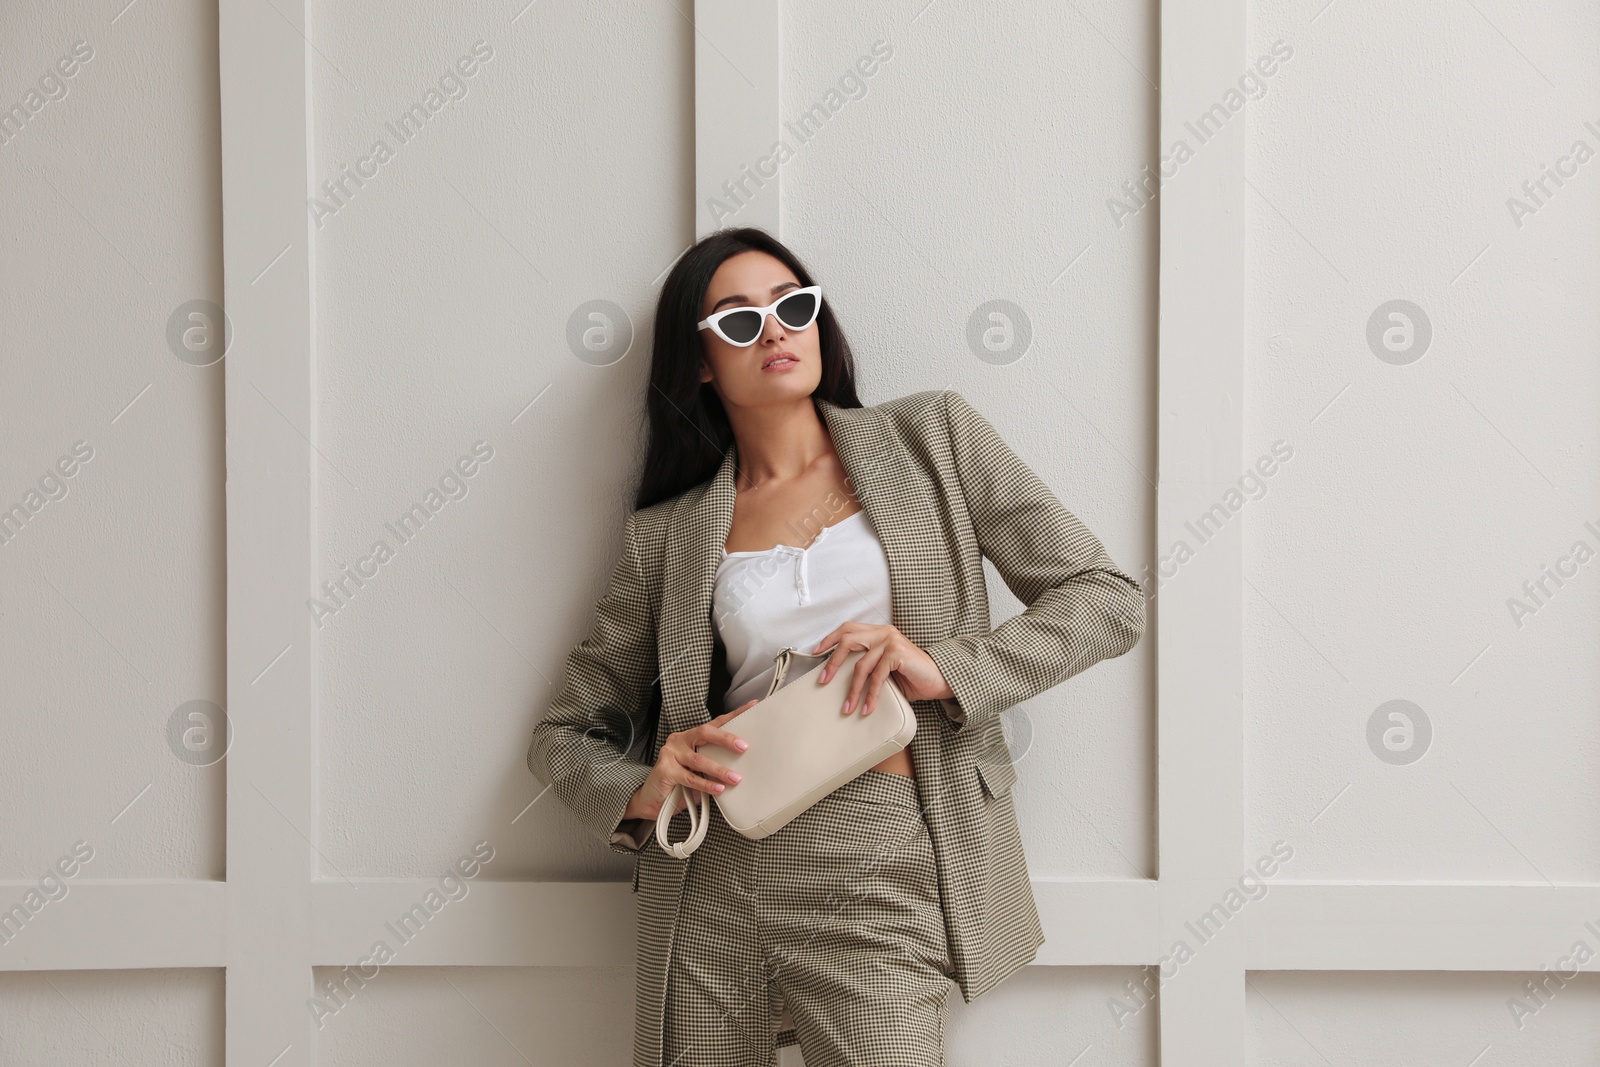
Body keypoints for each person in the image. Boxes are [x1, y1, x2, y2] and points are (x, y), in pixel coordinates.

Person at [527, 226, 1146, 1067]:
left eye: (793, 306)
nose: (775, 329)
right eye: (738, 321)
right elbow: (564, 735)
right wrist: (645, 788)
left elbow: (1106, 599)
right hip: (715, 861)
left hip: (881, 852)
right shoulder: (664, 536)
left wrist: (948, 669)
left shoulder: (934, 439)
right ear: (701, 363)